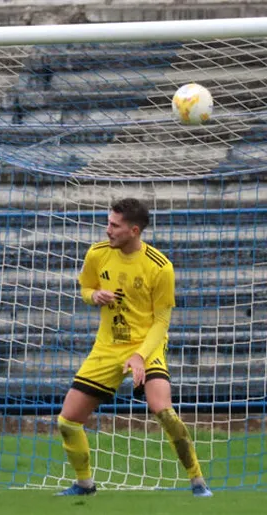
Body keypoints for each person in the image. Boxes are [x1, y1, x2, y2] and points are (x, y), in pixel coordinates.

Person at [56, 198, 211, 497]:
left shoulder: (160, 267)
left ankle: (197, 480)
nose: (107, 230)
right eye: (108, 223)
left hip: (146, 345)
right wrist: (94, 296)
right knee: (68, 420)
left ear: (134, 231)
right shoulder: (97, 254)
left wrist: (140, 355)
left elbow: (162, 320)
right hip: (108, 347)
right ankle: (84, 484)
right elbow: (85, 288)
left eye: (115, 225)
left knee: (163, 411)